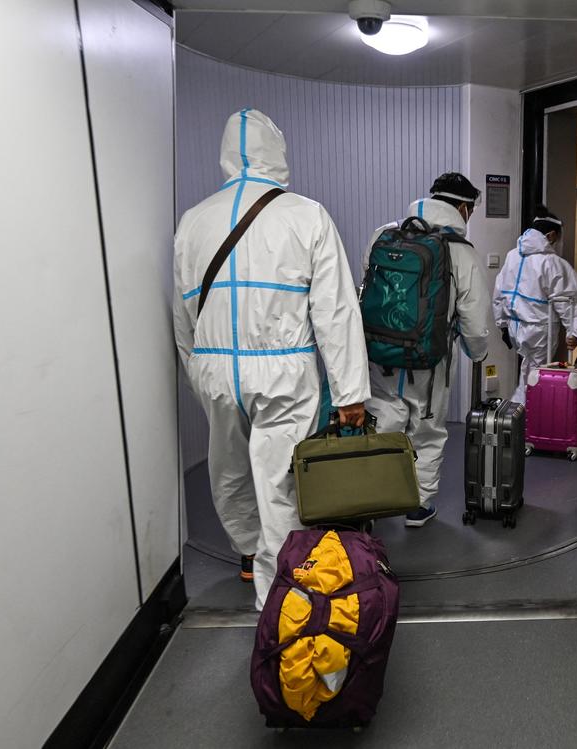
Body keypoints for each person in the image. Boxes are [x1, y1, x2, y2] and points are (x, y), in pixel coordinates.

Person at [173, 108, 370, 609]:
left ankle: (249, 552)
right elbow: (336, 311)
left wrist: (196, 371)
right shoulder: (306, 214)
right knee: (281, 481)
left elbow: (182, 312)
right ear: (277, 155)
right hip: (284, 368)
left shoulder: (194, 219)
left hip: (215, 367)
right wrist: (350, 393)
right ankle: (281, 603)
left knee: (229, 472)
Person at [363, 173, 490, 527]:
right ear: (463, 207)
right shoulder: (462, 253)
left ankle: (370, 503)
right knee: (427, 430)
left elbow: (367, 286)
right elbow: (475, 320)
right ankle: (418, 507)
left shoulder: (384, 235)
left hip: (381, 353)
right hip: (429, 361)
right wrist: (477, 353)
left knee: (382, 421)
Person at [493, 205, 577, 405]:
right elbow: (567, 301)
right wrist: (574, 332)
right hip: (540, 331)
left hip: (515, 328)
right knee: (534, 377)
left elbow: (499, 292)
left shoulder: (513, 256)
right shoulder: (551, 263)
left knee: (527, 373)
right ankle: (525, 420)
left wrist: (501, 323)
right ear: (551, 236)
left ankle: (519, 417)